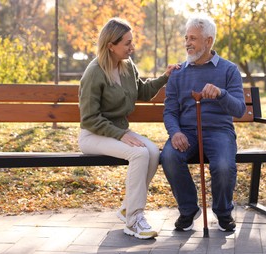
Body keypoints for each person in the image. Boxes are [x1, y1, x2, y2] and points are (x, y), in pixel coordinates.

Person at [78, 17, 178, 240]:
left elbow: (142, 92)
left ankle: (127, 208)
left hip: (118, 133)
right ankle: (133, 220)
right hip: (93, 135)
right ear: (110, 46)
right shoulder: (94, 72)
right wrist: (121, 134)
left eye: (132, 42)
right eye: (127, 43)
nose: (132, 47)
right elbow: (89, 118)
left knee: (152, 151)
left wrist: (165, 77)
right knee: (139, 153)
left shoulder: (126, 66)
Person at [160, 14, 246, 232]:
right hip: (186, 132)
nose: (187, 43)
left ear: (208, 41)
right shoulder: (178, 73)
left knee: (224, 166)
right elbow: (170, 111)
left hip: (219, 132)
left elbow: (240, 109)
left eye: (193, 38)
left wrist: (220, 93)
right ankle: (188, 210)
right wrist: (175, 132)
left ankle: (223, 211)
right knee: (169, 156)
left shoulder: (229, 70)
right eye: (186, 38)